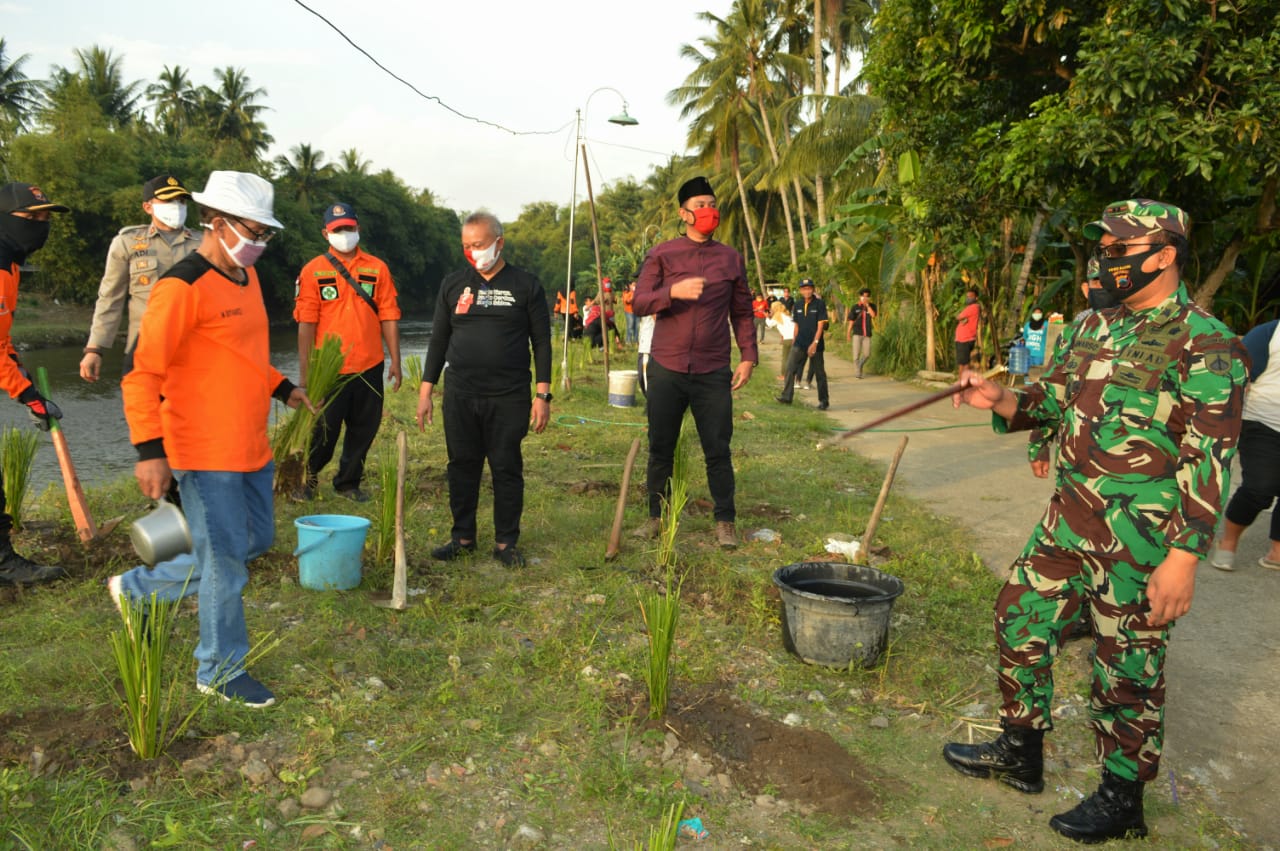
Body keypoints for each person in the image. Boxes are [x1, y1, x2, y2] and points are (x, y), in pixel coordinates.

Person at [942, 199, 1248, 844]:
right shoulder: (1092, 325)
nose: (1105, 261)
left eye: (1118, 251)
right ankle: (1021, 753)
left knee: (1127, 668)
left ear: (1163, 256)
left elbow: (1211, 457)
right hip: (1068, 519)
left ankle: (1121, 798)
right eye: (1103, 249)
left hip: (1143, 540)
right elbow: (1050, 398)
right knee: (1017, 617)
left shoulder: (1208, 342)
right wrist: (1001, 398)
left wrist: (1185, 558)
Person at [108, 171, 312, 708]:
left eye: (267, 234)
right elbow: (141, 372)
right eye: (253, 231)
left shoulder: (246, 280)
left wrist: (282, 386)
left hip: (250, 444)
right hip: (201, 449)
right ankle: (219, 669)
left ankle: (139, 590)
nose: (260, 243)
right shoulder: (180, 287)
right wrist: (149, 451)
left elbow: (239, 353)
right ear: (216, 223)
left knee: (253, 543)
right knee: (226, 561)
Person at [417, 212, 551, 568]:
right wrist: (426, 390)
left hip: (509, 395)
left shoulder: (526, 285)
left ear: (499, 242)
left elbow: (541, 342)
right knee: (462, 465)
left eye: (478, 244)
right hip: (461, 393)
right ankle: (462, 536)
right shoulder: (453, 284)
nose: (472, 252)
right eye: (466, 245)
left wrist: (542, 395)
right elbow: (438, 340)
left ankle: (506, 542)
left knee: (506, 466)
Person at [630, 176, 757, 549]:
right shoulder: (663, 254)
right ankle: (656, 517)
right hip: (667, 367)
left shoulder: (730, 258)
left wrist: (748, 356)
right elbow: (638, 302)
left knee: (718, 448)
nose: (708, 211)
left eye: (712, 204)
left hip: (712, 369)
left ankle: (725, 521)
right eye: (700, 205)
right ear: (684, 213)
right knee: (660, 446)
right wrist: (672, 292)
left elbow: (743, 312)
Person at [293, 202, 402, 502]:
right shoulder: (313, 271)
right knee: (323, 431)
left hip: (369, 365)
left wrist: (396, 360)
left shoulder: (377, 268)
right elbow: (305, 325)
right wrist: (304, 377)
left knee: (364, 429)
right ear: (325, 233)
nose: (345, 234)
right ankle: (307, 480)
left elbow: (389, 315)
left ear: (358, 229)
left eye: (349, 228)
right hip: (329, 370)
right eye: (338, 230)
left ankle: (348, 483)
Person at [0, 182, 70, 587]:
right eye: (32, 217)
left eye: (45, 217)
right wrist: (26, 394)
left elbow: (0, 339)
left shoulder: (8, 264)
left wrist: (20, 374)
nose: (42, 225)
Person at [80, 175, 200, 382]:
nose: (177, 206)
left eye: (181, 201)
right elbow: (110, 298)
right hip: (145, 350)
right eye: (168, 201)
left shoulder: (206, 243)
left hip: (196, 351)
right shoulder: (127, 243)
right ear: (148, 207)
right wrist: (94, 349)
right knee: (146, 412)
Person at [1209, 318, 1280, 572]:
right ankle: (1228, 541)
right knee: (1259, 487)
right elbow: (1237, 375)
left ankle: (1277, 550)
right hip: (1263, 421)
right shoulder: (1269, 334)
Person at [775, 278, 829, 410]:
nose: (807, 291)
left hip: (815, 344)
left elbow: (821, 325)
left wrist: (815, 343)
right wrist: (794, 340)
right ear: (800, 290)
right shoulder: (798, 304)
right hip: (799, 343)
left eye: (809, 288)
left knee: (819, 373)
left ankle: (824, 401)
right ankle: (787, 397)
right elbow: (797, 325)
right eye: (804, 288)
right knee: (790, 367)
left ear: (813, 289)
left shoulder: (819, 304)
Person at [846, 287, 876, 379]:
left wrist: (867, 306)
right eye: (863, 296)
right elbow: (851, 321)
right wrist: (848, 333)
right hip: (857, 333)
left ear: (869, 297)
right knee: (856, 355)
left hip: (867, 334)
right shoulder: (855, 307)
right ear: (860, 297)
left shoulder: (872, 306)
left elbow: (873, 315)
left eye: (867, 296)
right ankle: (858, 373)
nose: (865, 298)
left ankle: (860, 366)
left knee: (867, 354)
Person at [766, 299, 795, 381]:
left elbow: (769, 325)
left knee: (785, 358)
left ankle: (784, 375)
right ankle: (793, 375)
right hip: (795, 337)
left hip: (788, 338)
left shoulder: (778, 315)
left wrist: (767, 316)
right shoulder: (787, 314)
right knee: (792, 358)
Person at [955, 287, 981, 369]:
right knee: (963, 363)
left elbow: (958, 317)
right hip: (963, 339)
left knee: (963, 364)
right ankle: (963, 380)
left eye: (971, 297)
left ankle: (963, 381)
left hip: (965, 339)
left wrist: (961, 318)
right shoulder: (971, 308)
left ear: (976, 298)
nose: (968, 298)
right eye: (967, 296)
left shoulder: (973, 307)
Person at [623, 281, 638, 345]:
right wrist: (632, 298)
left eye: (635, 285)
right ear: (630, 285)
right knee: (630, 326)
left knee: (636, 327)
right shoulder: (627, 292)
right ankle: (628, 340)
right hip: (629, 312)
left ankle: (636, 340)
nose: (634, 286)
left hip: (636, 311)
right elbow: (626, 301)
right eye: (633, 285)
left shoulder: (637, 292)